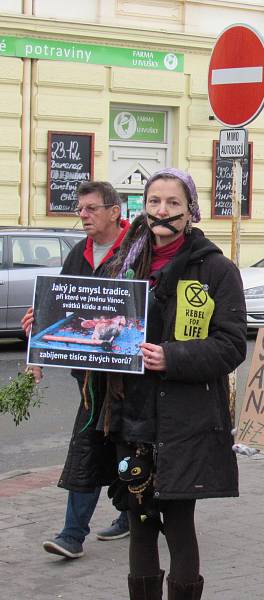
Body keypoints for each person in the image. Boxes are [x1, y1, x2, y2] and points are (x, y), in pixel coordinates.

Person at [97, 168, 246, 599]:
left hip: (187, 421)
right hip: (133, 416)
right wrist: (44, 332)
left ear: (190, 211)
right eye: (154, 202)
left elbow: (232, 345)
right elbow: (89, 325)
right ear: (143, 207)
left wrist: (173, 356)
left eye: (173, 204)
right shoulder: (120, 264)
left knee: (179, 525)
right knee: (140, 522)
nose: (162, 212)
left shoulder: (215, 269)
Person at [21, 180, 131, 559]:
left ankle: (133, 513)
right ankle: (72, 534)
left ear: (114, 211)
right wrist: (39, 323)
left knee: (127, 449)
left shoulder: (139, 249)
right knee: (89, 444)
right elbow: (62, 304)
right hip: (90, 376)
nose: (82, 216)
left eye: (90, 208)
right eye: (80, 209)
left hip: (131, 378)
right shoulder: (79, 253)